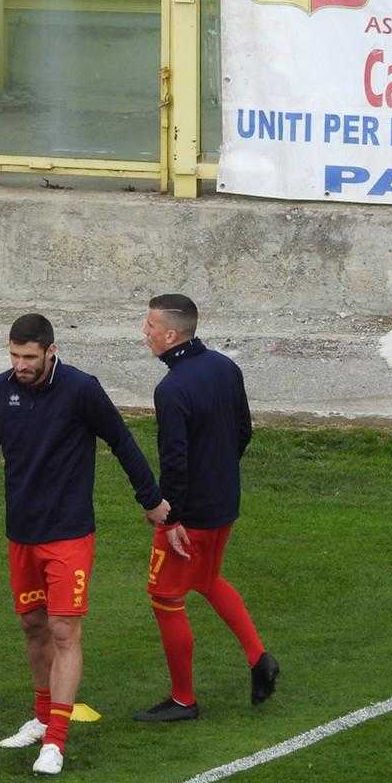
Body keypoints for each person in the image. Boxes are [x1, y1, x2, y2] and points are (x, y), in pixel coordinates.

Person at [0, 312, 167, 775]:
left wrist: (151, 499)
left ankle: (56, 740)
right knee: (33, 627)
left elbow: (122, 441)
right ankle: (40, 717)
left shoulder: (81, 389)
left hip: (69, 533)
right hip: (22, 533)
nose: (20, 365)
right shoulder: (0, 390)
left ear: (51, 351)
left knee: (63, 631)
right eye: (14, 356)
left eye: (29, 357)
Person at [137, 294, 279, 722]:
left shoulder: (172, 388)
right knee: (209, 579)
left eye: (149, 327)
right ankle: (259, 658)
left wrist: (171, 514)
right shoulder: (225, 367)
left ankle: (183, 700)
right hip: (224, 503)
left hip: (191, 515)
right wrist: (219, 473)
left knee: (165, 596)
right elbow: (243, 430)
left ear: (170, 334)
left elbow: (174, 458)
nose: (144, 333)